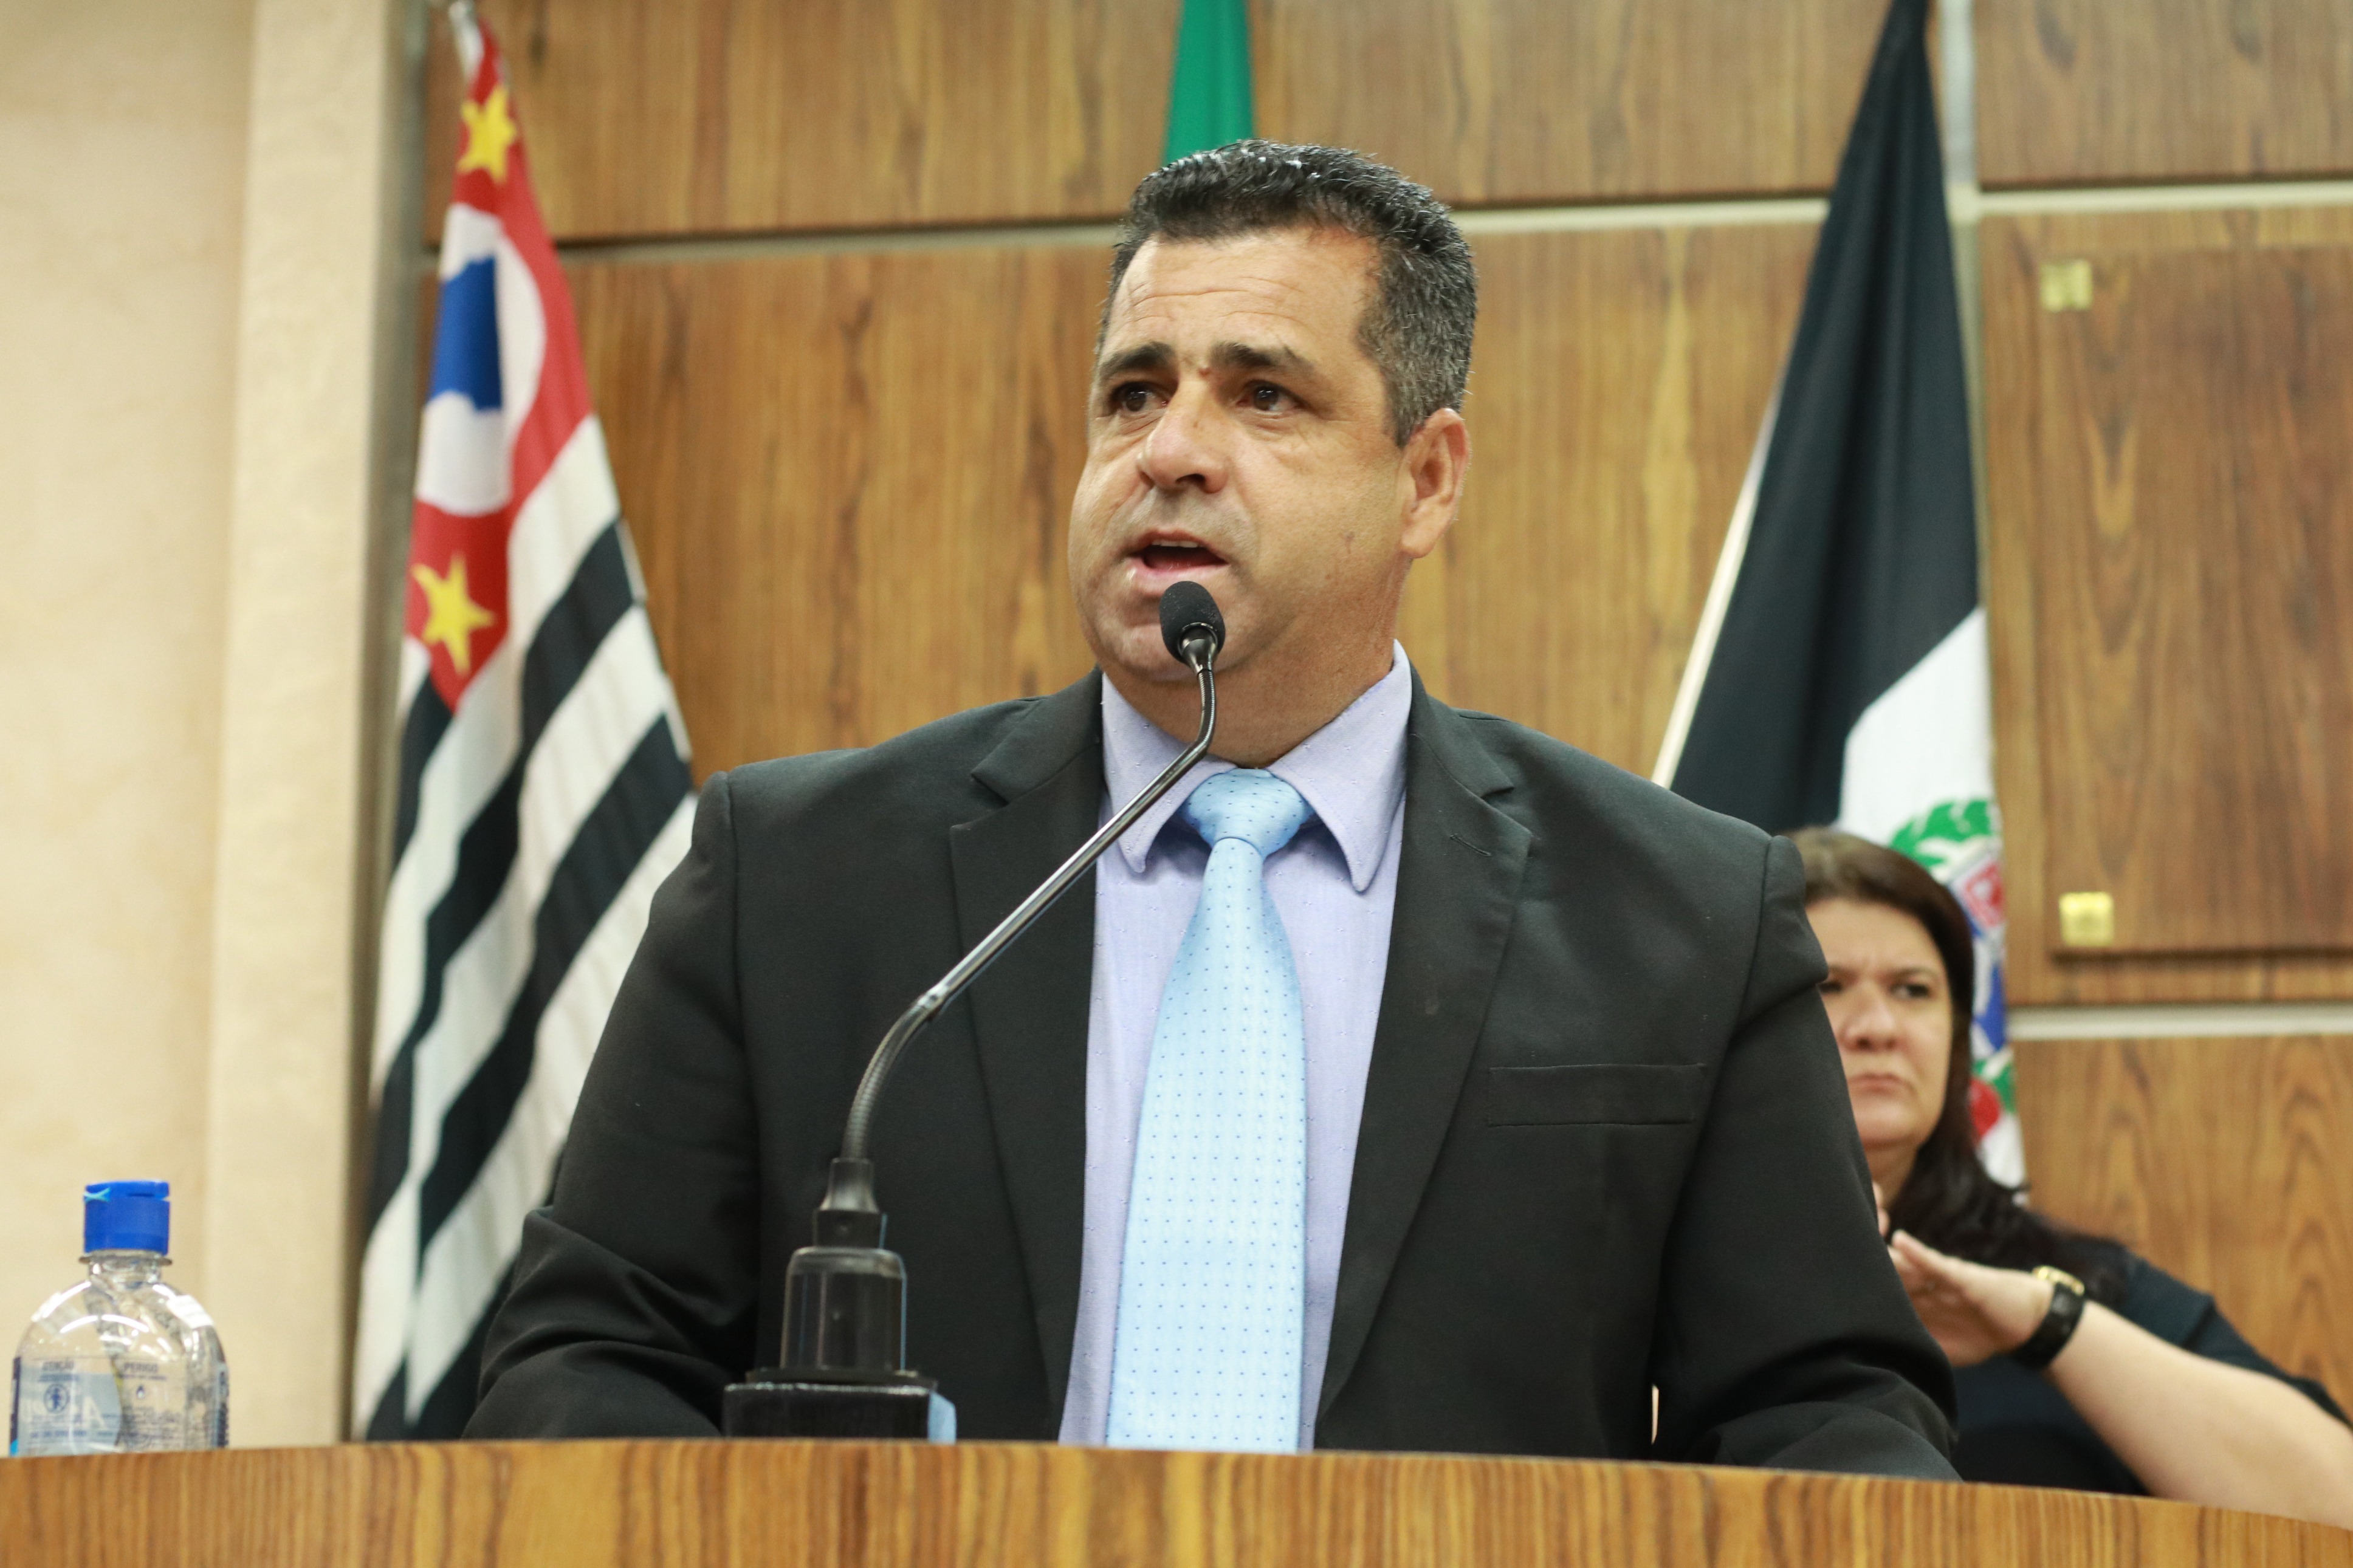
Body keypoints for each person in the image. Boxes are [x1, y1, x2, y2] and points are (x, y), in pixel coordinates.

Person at [466, 141, 1956, 1474]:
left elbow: (1824, 1409)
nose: (1168, 448)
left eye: (1263, 394)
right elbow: (587, 1360)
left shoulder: (1682, 914)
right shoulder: (798, 876)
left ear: (1426, 481)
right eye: (1134, 392)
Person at [1793, 827, 2353, 1524]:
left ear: (1957, 1036)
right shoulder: (1671, 1266)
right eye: (1826, 986)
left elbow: (2335, 1508)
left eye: (1912, 989)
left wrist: (2051, 1327)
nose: (1877, 1026)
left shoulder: (2062, 1280)